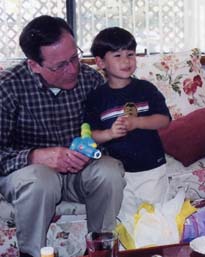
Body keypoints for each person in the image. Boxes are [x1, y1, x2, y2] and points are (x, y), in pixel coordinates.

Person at [0, 16, 126, 257]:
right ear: (34, 65)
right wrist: (35, 156)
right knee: (41, 179)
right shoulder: (8, 87)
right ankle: (32, 253)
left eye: (74, 58)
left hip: (78, 174)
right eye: (60, 66)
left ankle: (100, 250)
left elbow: (106, 135)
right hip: (28, 176)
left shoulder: (89, 79)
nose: (72, 70)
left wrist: (93, 150)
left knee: (109, 170)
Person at [85, 27, 171, 221]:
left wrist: (138, 122)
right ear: (100, 62)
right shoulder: (96, 97)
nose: (126, 61)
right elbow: (89, 134)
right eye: (117, 55)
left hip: (151, 168)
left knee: (157, 219)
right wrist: (109, 134)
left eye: (130, 54)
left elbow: (164, 119)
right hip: (119, 174)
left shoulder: (146, 89)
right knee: (127, 223)